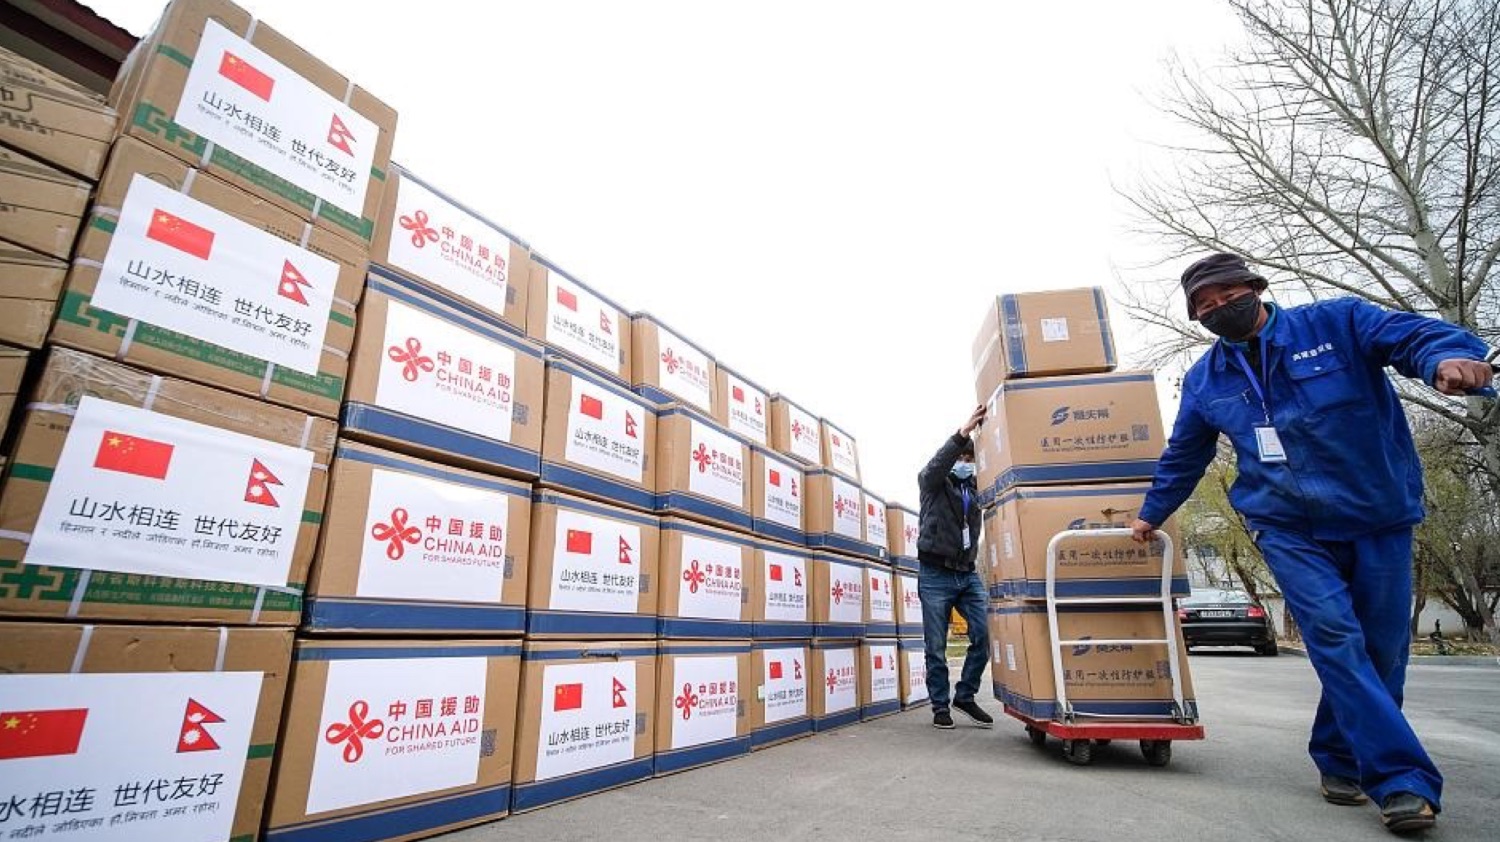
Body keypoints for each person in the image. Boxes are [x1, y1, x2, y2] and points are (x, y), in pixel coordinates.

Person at [1130, 252, 1495, 835]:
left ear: (1255, 288)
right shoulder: (1206, 380)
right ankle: (1402, 780)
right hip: (1286, 524)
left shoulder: (1337, 323)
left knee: (1381, 651)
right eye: (1206, 305)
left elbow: (1414, 337)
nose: (1220, 308)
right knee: (1334, 638)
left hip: (1376, 514)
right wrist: (1151, 515)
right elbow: (1185, 455)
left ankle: (1340, 756)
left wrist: (1447, 359)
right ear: (1197, 317)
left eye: (1229, 295)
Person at [916, 404, 993, 730]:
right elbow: (936, 466)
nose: (964, 463)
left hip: (967, 573)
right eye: (960, 458)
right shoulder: (933, 483)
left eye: (969, 459)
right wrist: (962, 434)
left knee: (984, 635)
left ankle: (965, 695)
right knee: (936, 646)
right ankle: (940, 706)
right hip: (935, 574)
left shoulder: (975, 490)